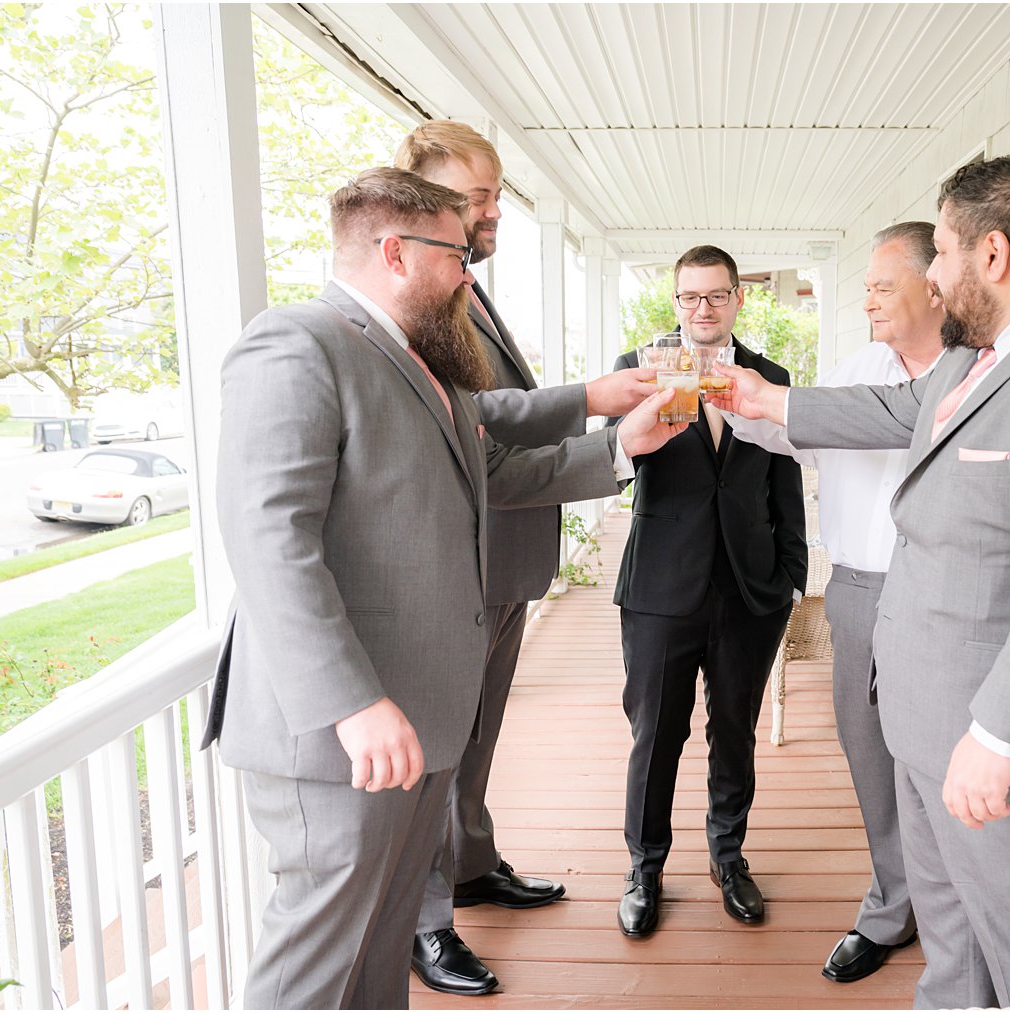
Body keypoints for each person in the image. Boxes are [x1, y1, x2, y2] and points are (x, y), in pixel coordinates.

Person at [200, 167, 687, 1010]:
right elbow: (268, 538)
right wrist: (351, 700)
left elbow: (492, 470)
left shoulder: (424, 362)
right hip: (341, 733)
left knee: (383, 938)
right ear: (394, 250)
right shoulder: (298, 343)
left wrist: (621, 449)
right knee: (315, 959)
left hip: (422, 716)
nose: (470, 272)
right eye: (456, 254)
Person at [710, 155, 1010, 1008]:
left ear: (993, 254)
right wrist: (767, 400)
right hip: (926, 716)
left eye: (942, 252)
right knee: (953, 938)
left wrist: (1000, 737)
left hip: (1002, 742)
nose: (932, 273)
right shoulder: (989, 352)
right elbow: (898, 412)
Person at [392, 120, 658, 995]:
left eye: (496, 193)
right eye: (478, 197)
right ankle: (428, 923)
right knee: (442, 753)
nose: (494, 210)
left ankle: (472, 865)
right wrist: (607, 428)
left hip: (503, 571)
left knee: (477, 744)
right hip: (460, 572)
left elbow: (494, 408)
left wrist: (587, 397)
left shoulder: (469, 291)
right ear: (424, 205)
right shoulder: (425, 302)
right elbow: (482, 445)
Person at [720, 221, 947, 983]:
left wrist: (773, 402)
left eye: (883, 286)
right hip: (856, 588)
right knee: (868, 750)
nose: (869, 300)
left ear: (935, 286)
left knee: (942, 762)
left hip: (946, 602)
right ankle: (892, 905)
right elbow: (802, 438)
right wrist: (735, 406)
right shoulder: (858, 364)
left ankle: (956, 914)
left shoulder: (976, 375)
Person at [610, 245, 807, 938]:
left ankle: (729, 855)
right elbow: (612, 466)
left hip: (751, 588)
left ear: (738, 299)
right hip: (662, 586)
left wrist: (791, 577)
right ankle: (646, 867)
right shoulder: (636, 371)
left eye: (716, 296)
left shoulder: (772, 377)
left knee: (736, 732)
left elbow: (787, 484)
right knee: (655, 734)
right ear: (674, 302)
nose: (702, 309)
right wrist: (645, 423)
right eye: (689, 297)